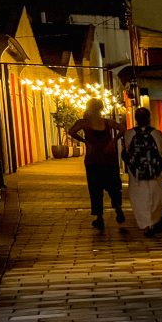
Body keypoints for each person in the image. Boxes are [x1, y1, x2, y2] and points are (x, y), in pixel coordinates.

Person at [68, 98, 124, 229]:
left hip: (93, 160)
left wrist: (85, 141)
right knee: (114, 186)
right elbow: (121, 128)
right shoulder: (106, 122)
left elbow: (71, 131)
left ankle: (99, 217)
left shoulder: (85, 123)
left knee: (95, 189)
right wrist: (113, 141)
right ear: (100, 108)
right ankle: (118, 208)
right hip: (109, 159)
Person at [122, 107, 162, 236]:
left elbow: (127, 152)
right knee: (155, 198)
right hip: (154, 171)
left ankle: (145, 224)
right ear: (149, 118)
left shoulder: (129, 133)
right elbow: (161, 153)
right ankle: (153, 222)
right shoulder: (156, 133)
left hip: (136, 173)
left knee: (139, 199)